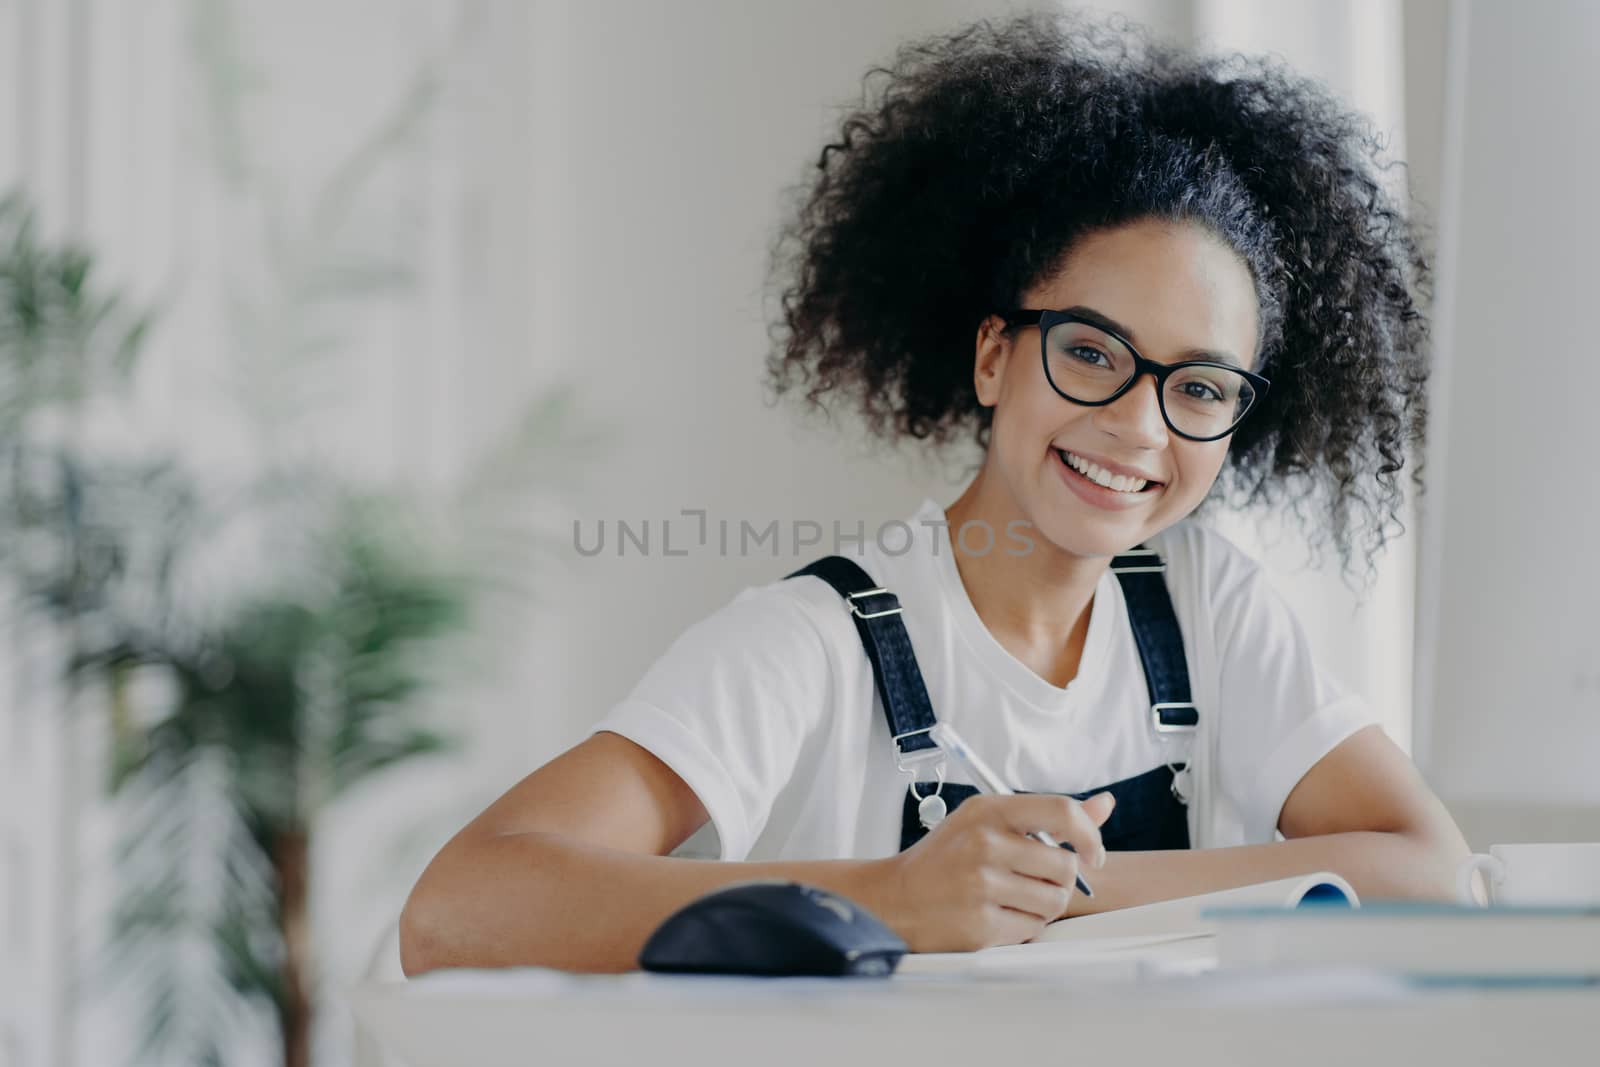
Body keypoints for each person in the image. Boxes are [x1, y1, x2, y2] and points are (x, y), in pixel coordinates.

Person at [400, 11, 1470, 976]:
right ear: (994, 357)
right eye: (1092, 352)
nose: (1139, 423)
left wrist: (1055, 895)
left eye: (1196, 385)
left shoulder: (1209, 607)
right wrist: (893, 897)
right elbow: (457, 909)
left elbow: (1429, 868)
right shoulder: (813, 642)